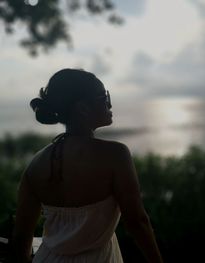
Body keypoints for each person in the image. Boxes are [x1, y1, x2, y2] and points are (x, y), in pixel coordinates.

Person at [11, 68, 163, 263]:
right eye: (104, 97)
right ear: (83, 108)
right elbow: (137, 222)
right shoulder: (115, 155)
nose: (109, 104)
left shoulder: (36, 164)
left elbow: (22, 235)